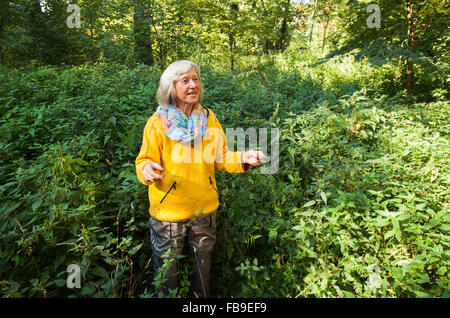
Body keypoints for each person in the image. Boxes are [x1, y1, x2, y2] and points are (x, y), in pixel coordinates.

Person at [135, 60, 264, 298]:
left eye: (195, 79)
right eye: (185, 81)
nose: (193, 85)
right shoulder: (157, 124)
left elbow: (221, 158)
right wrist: (146, 170)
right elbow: (144, 160)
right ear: (171, 87)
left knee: (202, 275)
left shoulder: (208, 118)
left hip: (204, 211)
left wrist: (244, 157)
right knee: (167, 277)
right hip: (168, 215)